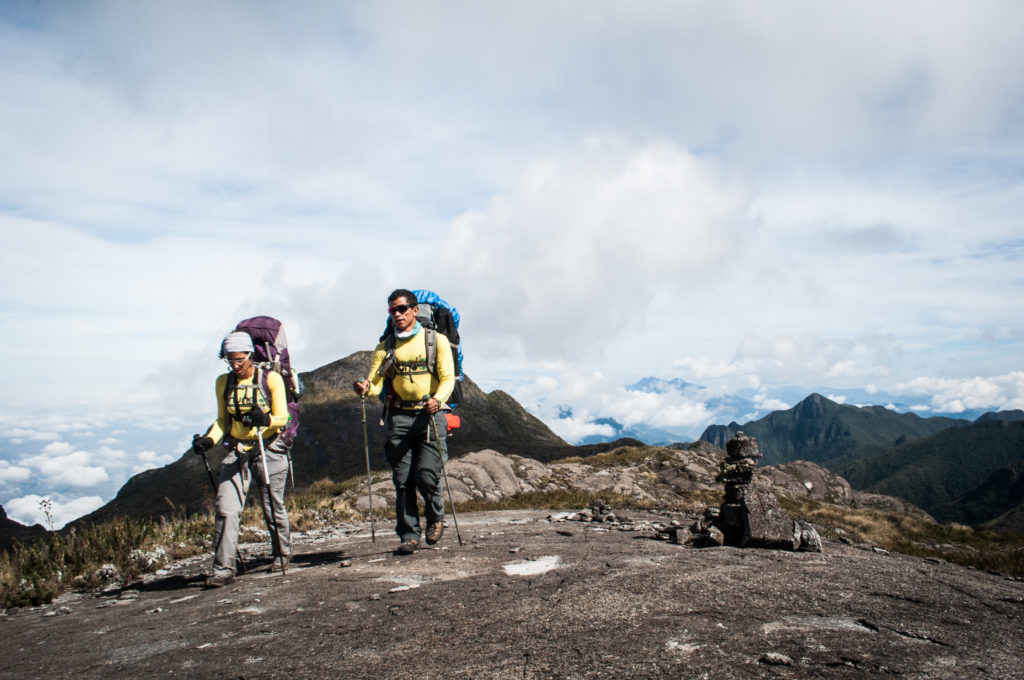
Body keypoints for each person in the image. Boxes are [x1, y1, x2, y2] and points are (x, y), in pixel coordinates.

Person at [353, 289, 455, 554]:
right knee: (402, 479)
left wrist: (438, 400)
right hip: (398, 416)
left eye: (401, 309)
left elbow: (448, 379)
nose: (397, 314)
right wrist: (365, 388)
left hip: (430, 415)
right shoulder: (385, 348)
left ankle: (436, 520)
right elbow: (376, 385)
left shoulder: (436, 341)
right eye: (392, 311)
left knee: (427, 474)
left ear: (414, 310)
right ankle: (409, 535)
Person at [192, 331, 293, 588]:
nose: (234, 366)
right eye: (229, 360)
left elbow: (284, 417)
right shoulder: (223, 383)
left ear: (250, 355)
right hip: (238, 450)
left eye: (239, 360)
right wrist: (209, 440)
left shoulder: (271, 379)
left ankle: (282, 555)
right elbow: (222, 421)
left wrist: (266, 420)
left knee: (272, 506)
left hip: (269, 447)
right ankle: (223, 569)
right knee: (226, 509)